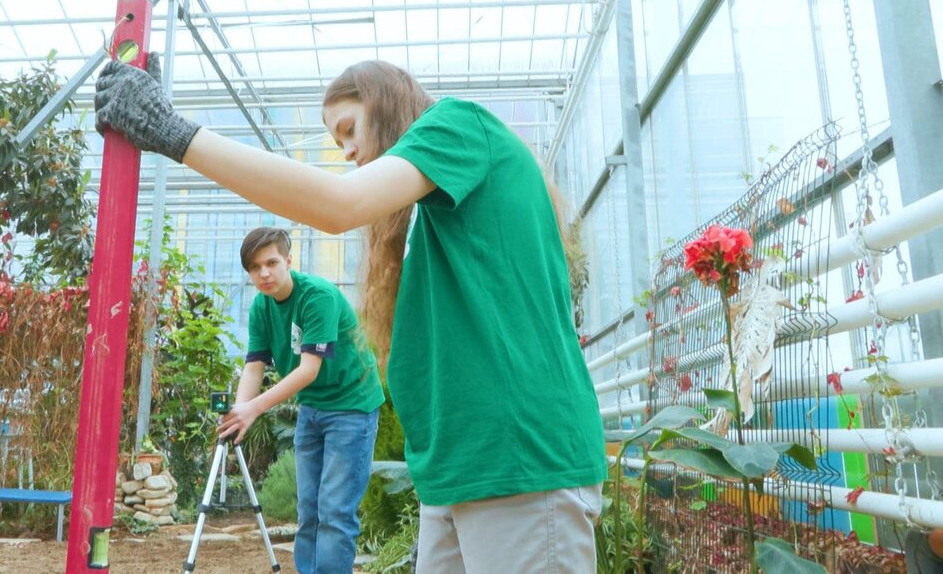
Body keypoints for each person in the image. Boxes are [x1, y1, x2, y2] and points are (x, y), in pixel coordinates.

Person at [95, 56, 607, 572]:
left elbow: (336, 204)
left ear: (386, 104)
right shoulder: (434, 214)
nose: (348, 152)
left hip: (518, 460)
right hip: (462, 468)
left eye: (349, 130)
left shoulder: (460, 124)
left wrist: (173, 132)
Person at [219, 226, 384, 574]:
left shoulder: (317, 297)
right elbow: (254, 367)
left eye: (271, 262)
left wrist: (255, 408)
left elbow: (309, 370)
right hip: (313, 408)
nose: (263, 273)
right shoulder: (261, 308)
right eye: (254, 267)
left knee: (335, 511)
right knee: (309, 509)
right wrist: (238, 412)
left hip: (351, 405)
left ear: (289, 261)